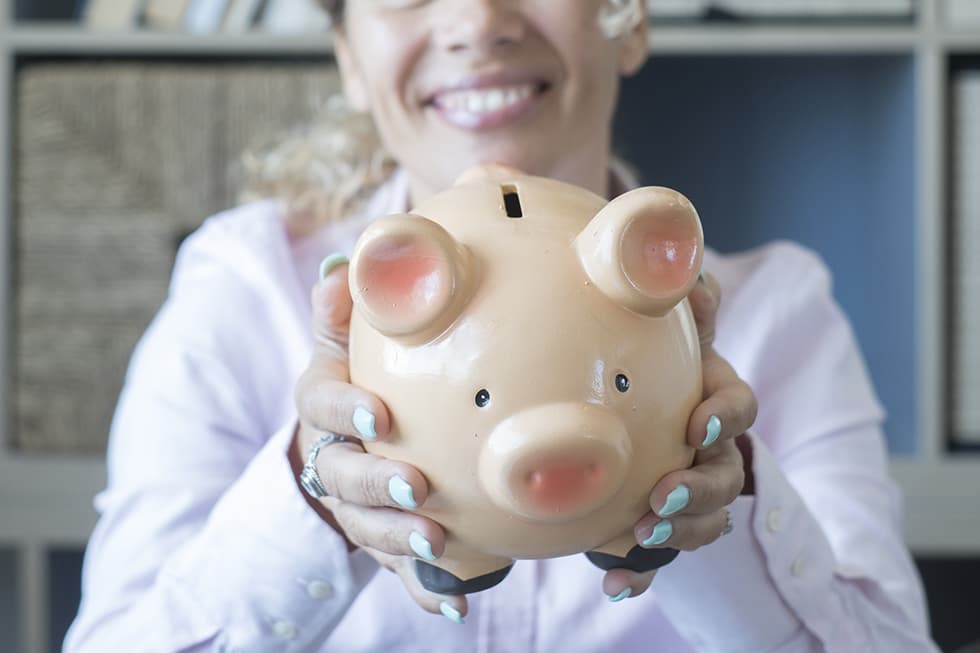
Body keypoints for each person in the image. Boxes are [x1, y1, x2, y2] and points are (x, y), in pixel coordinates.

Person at [65, 1, 939, 651]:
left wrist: (725, 505)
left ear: (627, 19)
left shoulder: (782, 312)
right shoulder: (242, 286)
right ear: (351, 56)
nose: (478, 22)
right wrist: (310, 491)